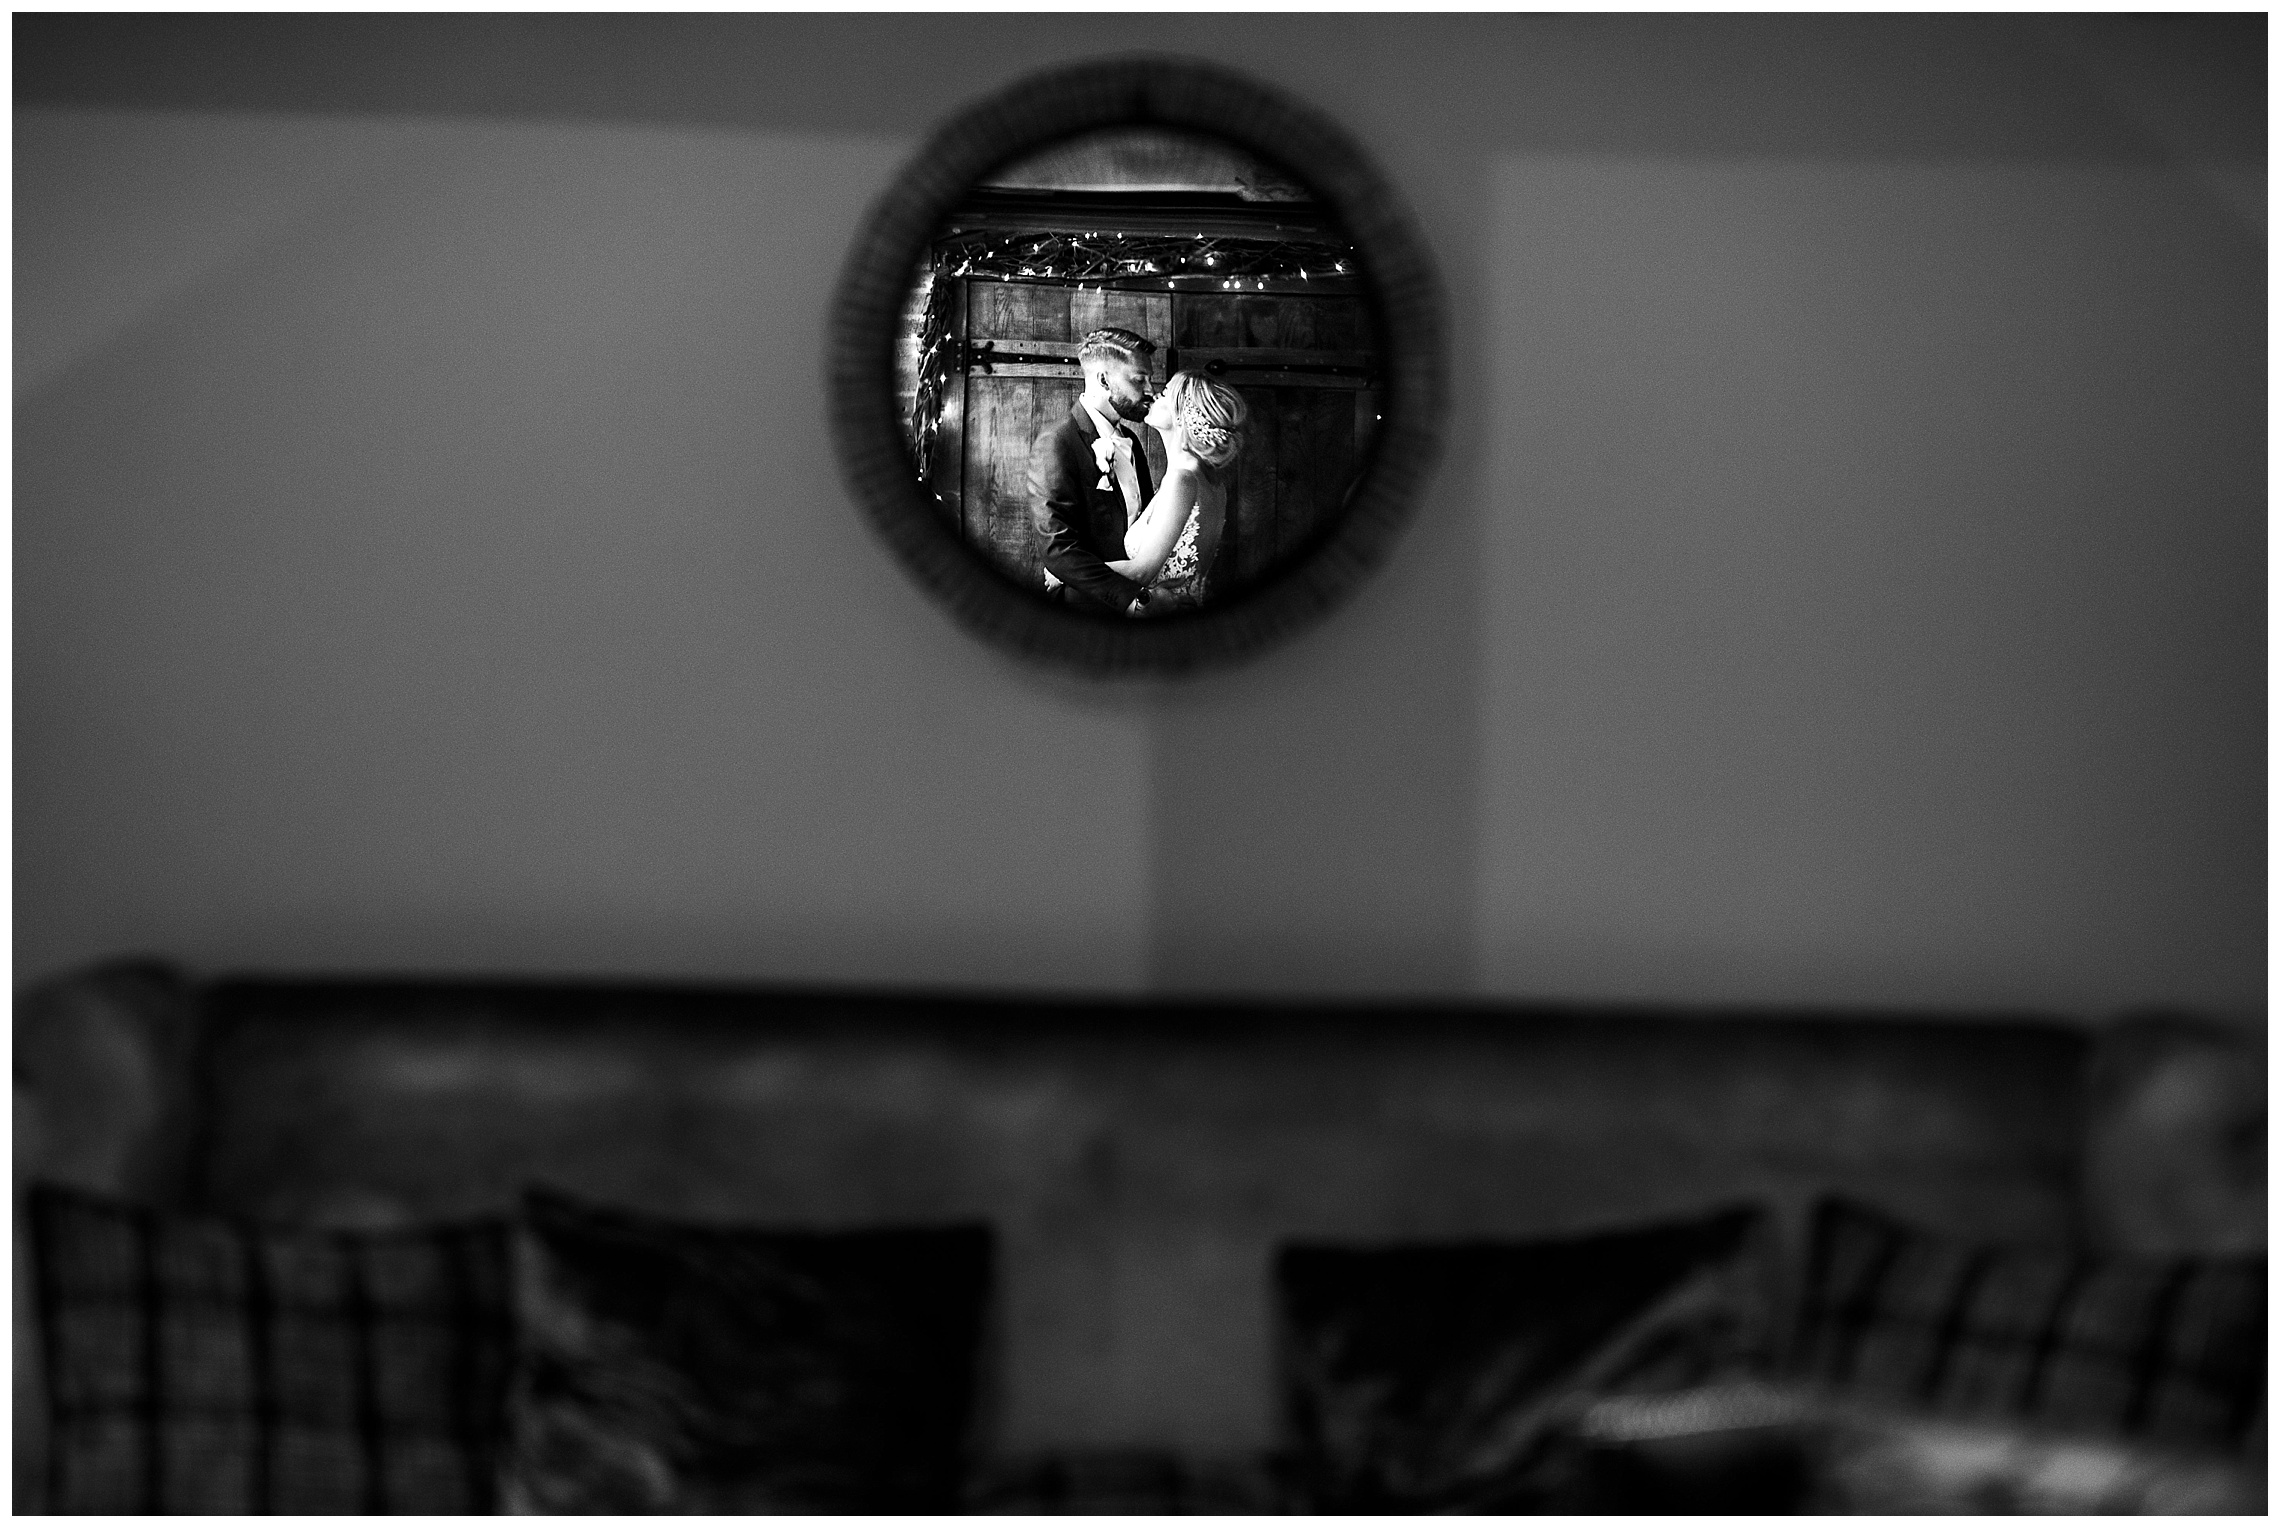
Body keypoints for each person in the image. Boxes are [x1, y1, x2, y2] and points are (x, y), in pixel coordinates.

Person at [1027, 327, 1164, 615]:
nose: (1150, 390)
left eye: (1149, 380)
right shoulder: (1058, 441)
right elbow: (1057, 547)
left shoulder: (1132, 441)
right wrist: (1129, 598)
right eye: (1140, 379)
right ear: (1104, 379)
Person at [1106, 371, 1246, 613]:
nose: (1153, 395)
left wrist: (1068, 572)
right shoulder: (1211, 482)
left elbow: (1141, 571)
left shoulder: (1182, 479)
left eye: (1164, 394)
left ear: (1183, 416)